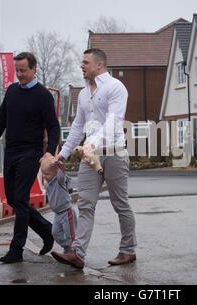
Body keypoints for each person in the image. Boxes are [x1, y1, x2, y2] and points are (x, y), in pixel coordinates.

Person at [51, 48, 137, 269]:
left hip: (114, 152)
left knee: (120, 204)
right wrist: (63, 153)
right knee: (86, 204)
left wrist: (91, 144)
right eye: (82, 62)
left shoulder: (115, 88)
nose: (81, 66)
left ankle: (128, 250)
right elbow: (78, 126)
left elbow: (113, 122)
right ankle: (77, 254)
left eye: (85, 62)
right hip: (90, 156)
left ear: (99, 65)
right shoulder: (82, 94)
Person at [0, 52, 60, 264]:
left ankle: (16, 249)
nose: (19, 75)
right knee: (14, 199)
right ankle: (47, 230)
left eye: (23, 70)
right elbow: (1, 120)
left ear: (34, 69)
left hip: (30, 152)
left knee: (21, 199)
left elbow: (53, 126)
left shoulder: (43, 95)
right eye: (17, 70)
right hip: (12, 151)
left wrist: (49, 152)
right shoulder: (12, 91)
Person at [40, 153, 77, 254]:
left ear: (55, 172)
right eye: (43, 173)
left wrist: (60, 166)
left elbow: (61, 174)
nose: (45, 176)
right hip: (57, 214)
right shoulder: (48, 184)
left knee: (70, 234)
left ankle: (74, 250)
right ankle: (67, 247)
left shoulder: (59, 180)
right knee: (55, 233)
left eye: (47, 174)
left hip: (66, 212)